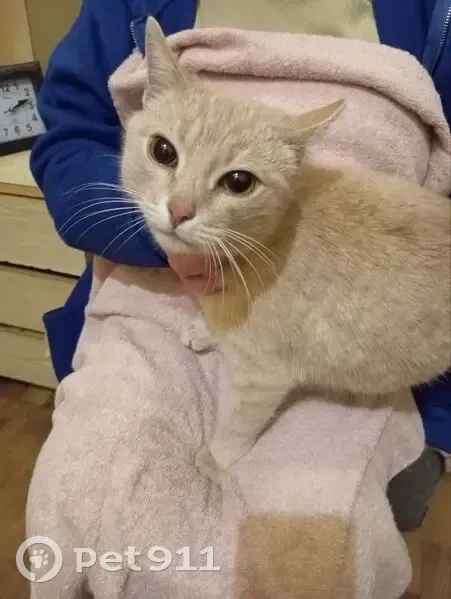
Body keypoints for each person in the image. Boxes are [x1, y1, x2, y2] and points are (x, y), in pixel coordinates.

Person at [31, 0, 450, 528]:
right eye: (165, 153)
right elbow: (66, 139)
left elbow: (267, 371)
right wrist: (158, 243)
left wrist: (223, 452)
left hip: (396, 368)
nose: (179, 207)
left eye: (235, 181)